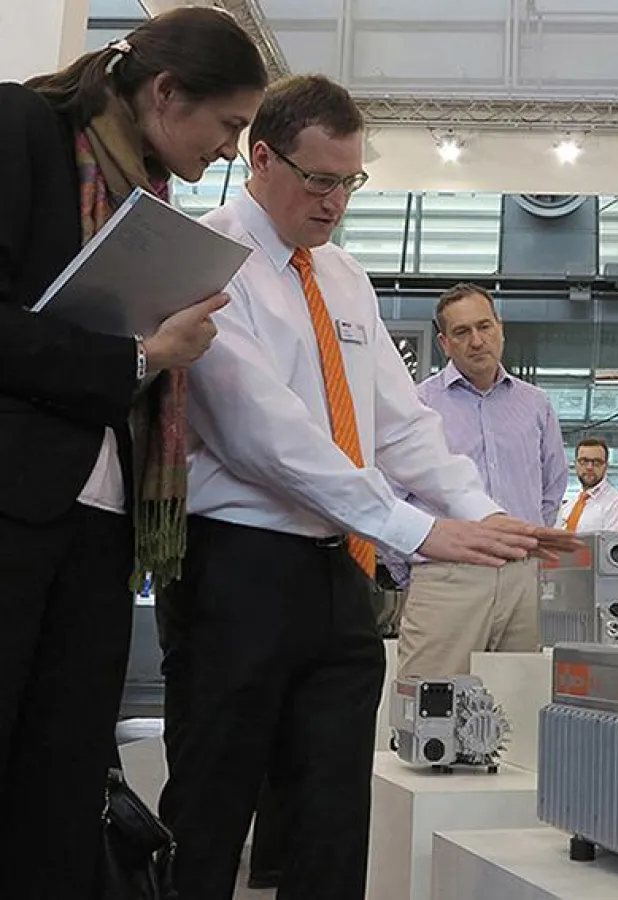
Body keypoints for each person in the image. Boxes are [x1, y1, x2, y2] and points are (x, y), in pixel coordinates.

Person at [155, 74, 579, 900]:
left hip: (336, 572)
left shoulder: (344, 277)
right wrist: (412, 530)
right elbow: (261, 435)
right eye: (319, 180)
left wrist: (487, 516)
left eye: (350, 182)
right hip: (233, 570)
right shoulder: (205, 256)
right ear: (262, 157)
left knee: (333, 813)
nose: (334, 202)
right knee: (210, 804)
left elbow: (400, 423)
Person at [0, 10, 267, 899]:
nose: (230, 151)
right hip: (15, 505)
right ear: (165, 93)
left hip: (103, 523)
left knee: (64, 775)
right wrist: (142, 357)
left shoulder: (145, 204)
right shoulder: (24, 133)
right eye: (227, 126)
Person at [385, 283, 568, 678]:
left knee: (517, 710)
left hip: (522, 581)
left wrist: (526, 551)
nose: (477, 340)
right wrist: (415, 574)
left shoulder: (535, 404)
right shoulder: (416, 404)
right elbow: (388, 497)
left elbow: (552, 488)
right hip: (445, 577)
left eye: (484, 326)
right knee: (428, 707)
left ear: (500, 328)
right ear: (444, 343)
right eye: (462, 332)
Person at [557, 436, 618, 532]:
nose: (589, 467)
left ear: (606, 466)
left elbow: (613, 546)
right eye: (584, 461)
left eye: (597, 462)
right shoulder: (568, 506)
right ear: (576, 464)